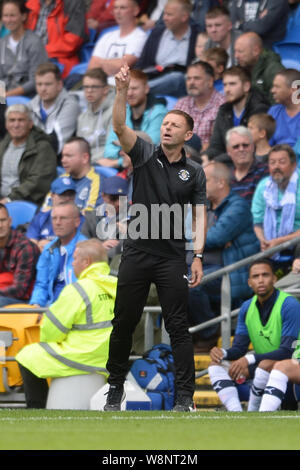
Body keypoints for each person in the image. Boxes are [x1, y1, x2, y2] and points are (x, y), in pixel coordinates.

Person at [104, 64, 207, 412]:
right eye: (164, 123)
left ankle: (184, 398)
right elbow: (119, 126)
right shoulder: (145, 154)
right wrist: (121, 91)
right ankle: (114, 388)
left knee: (178, 327)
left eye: (175, 125)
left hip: (171, 258)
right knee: (123, 322)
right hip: (136, 253)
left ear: (188, 135)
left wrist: (197, 255)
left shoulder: (194, 172)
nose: (167, 127)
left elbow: (198, 215)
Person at [16, 238, 117, 409]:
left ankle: (36, 408)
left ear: (86, 262)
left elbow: (52, 330)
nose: (73, 263)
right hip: (111, 357)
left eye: (75, 258)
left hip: (82, 355)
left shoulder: (78, 289)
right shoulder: (117, 286)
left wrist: (52, 341)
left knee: (27, 355)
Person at [208, 258, 300, 412]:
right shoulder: (246, 307)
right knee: (215, 366)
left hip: (293, 363)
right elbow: (239, 348)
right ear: (249, 282)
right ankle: (236, 414)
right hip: (265, 367)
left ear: (274, 279)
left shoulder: (290, 304)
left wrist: (248, 359)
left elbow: (287, 351)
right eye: (256, 277)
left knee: (270, 366)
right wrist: (222, 353)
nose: (261, 280)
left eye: (265, 275)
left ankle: (257, 413)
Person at [188, 161, 260, 351]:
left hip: (233, 273)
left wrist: (202, 237)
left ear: (220, 182)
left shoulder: (238, 207)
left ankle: (209, 332)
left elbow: (216, 237)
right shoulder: (206, 207)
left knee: (191, 284)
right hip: (207, 268)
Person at [135, 0, 200, 98]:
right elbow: (142, 63)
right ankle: (137, 89)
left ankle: (137, 91)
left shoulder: (196, 35)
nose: (164, 18)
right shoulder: (157, 33)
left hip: (183, 82)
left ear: (184, 17)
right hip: (155, 76)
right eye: (164, 14)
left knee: (176, 77)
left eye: (169, 15)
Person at [103, 69, 167, 166]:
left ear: (146, 89)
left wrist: (120, 160)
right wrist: (123, 160)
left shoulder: (159, 112)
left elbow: (152, 146)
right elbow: (108, 150)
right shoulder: (122, 111)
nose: (129, 93)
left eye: (134, 88)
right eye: (127, 88)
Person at [29, 202, 87, 307]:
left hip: (74, 308)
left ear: (77, 222)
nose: (57, 222)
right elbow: (41, 284)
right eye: (54, 218)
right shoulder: (48, 249)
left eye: (63, 218)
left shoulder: (85, 249)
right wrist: (36, 305)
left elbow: (83, 292)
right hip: (49, 308)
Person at [207, 65, 270, 158]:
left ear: (246, 86)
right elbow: (216, 146)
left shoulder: (260, 109)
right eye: (225, 84)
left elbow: (250, 149)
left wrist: (217, 160)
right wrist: (205, 158)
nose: (227, 90)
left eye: (232, 84)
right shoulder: (224, 110)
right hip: (226, 161)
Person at [0, 104, 57, 206]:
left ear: (30, 124)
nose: (16, 125)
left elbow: (37, 183)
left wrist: (9, 199)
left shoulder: (43, 148)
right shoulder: (3, 145)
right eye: (12, 120)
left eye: (21, 120)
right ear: (6, 125)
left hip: (27, 203)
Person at [251, 144, 300, 256]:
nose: (276, 166)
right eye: (272, 163)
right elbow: (257, 223)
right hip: (269, 245)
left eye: (282, 162)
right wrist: (263, 241)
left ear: (293, 165)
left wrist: (280, 242)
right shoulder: (263, 186)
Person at [88, 0, 147, 86]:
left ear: (135, 11)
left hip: (122, 89)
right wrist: (112, 65)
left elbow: (122, 66)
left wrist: (101, 63)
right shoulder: (106, 36)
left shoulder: (140, 37)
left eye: (123, 8)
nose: (118, 12)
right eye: (115, 8)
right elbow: (92, 67)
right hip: (98, 87)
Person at [25, 0, 86, 78]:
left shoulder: (72, 3)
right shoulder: (31, 3)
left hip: (59, 61)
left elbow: (73, 42)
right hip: (30, 58)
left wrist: (41, 52)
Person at [28, 62, 80, 155]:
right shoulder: (31, 105)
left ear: (59, 85)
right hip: (35, 156)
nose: (43, 89)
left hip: (58, 159)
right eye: (39, 84)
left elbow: (56, 144)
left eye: (48, 84)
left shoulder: (70, 105)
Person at [0, 0, 48, 98]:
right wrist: (2, 97)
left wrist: (7, 95)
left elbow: (36, 80)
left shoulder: (34, 42)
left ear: (23, 16)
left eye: (12, 15)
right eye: (5, 15)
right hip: (4, 96)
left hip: (28, 97)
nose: (9, 20)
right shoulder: (2, 43)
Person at [174, 60, 225, 149]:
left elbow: (218, 143)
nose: (191, 82)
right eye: (189, 79)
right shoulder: (181, 104)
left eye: (197, 78)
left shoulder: (222, 105)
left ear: (210, 82)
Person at [42, 137, 102, 213]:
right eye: (63, 156)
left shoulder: (97, 182)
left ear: (85, 158)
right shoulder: (62, 178)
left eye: (68, 156)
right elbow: (45, 210)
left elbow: (89, 217)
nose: (63, 160)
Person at [26, 176, 84, 252]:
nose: (67, 198)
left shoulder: (80, 220)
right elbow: (30, 245)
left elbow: (80, 248)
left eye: (71, 194)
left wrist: (51, 246)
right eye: (62, 194)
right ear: (52, 196)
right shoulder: (41, 217)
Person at [81, 175, 129, 262]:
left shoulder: (134, 215)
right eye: (114, 198)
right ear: (103, 196)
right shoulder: (92, 217)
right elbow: (81, 248)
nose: (118, 203)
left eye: (122, 198)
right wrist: (100, 247)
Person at [0, 203, 40, 307]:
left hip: (23, 301)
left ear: (10, 221)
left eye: (3, 220)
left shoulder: (25, 248)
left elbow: (20, 290)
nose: (0, 225)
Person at [76, 68, 115, 166]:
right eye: (86, 87)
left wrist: (90, 161)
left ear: (105, 89)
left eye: (94, 87)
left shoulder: (115, 112)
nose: (89, 91)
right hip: (85, 164)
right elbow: (79, 148)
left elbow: (112, 148)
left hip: (103, 164)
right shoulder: (82, 117)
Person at [234, 32, 283, 104]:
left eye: (240, 52)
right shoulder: (240, 69)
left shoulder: (273, 70)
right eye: (235, 51)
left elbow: (277, 106)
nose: (236, 56)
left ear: (256, 51)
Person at [226, 126, 269, 203]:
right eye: (236, 146)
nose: (241, 149)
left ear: (253, 147)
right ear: (228, 151)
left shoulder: (266, 171)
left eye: (245, 145)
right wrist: (200, 215)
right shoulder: (225, 177)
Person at [268, 69, 300, 148]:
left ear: (294, 90)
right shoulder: (274, 112)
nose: (272, 91)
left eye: (277, 87)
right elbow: (266, 145)